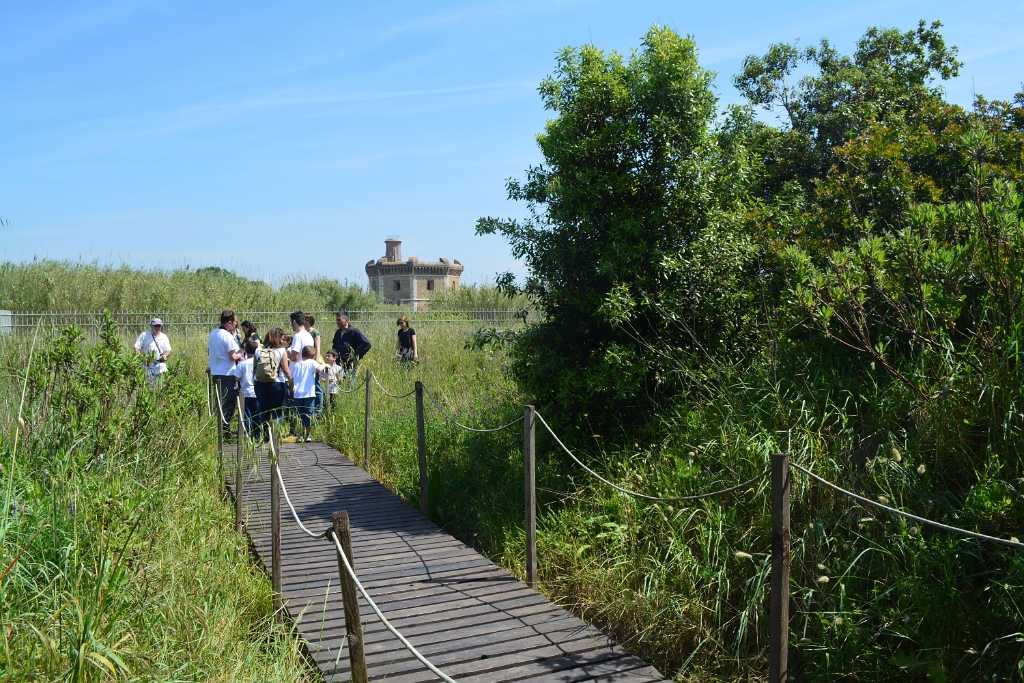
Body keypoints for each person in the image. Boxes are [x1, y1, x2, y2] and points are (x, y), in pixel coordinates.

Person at [208, 310, 242, 438]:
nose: (234, 325)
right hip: (227, 374)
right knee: (229, 403)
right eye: (234, 323)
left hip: (216, 373)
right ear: (229, 323)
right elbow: (233, 356)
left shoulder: (213, 333)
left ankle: (219, 430)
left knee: (219, 402)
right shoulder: (227, 336)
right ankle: (225, 431)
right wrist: (242, 353)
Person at [253, 327, 290, 441]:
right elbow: (285, 369)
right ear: (278, 339)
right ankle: (275, 435)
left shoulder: (258, 350)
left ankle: (265, 436)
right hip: (277, 384)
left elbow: (254, 368)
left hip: (260, 384)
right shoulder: (281, 351)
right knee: (277, 412)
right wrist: (291, 382)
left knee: (263, 410)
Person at [290, 345, 323, 442]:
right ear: (312, 355)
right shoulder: (312, 362)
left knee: (299, 415)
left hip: (297, 393)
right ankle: (307, 435)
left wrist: (291, 390)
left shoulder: (296, 364)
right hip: (309, 393)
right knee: (308, 415)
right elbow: (320, 369)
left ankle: (300, 435)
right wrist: (324, 365)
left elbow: (291, 379)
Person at [230, 335, 260, 437]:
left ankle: (247, 435)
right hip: (257, 392)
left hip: (245, 393)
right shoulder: (259, 363)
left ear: (245, 351)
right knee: (257, 414)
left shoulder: (242, 364)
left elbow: (236, 377)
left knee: (247, 415)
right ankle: (257, 435)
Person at [331, 313, 372, 378]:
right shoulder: (338, 332)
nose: (337, 322)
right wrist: (332, 358)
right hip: (338, 364)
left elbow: (367, 344)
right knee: (338, 385)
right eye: (336, 320)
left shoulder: (354, 331)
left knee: (350, 385)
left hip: (350, 364)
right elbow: (334, 347)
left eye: (339, 320)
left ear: (346, 320)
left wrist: (356, 356)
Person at [134, 318, 172, 385]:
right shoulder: (144, 335)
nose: (157, 328)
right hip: (146, 364)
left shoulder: (164, 337)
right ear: (151, 326)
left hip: (159, 364)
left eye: (159, 326)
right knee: (148, 385)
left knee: (161, 384)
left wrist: (165, 356)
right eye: (155, 326)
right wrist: (141, 357)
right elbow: (136, 347)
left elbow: (168, 350)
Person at [306, 314, 325, 414]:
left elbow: (317, 347)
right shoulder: (304, 332)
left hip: (314, 359)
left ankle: (318, 409)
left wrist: (316, 360)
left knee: (316, 385)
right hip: (306, 360)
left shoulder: (315, 332)